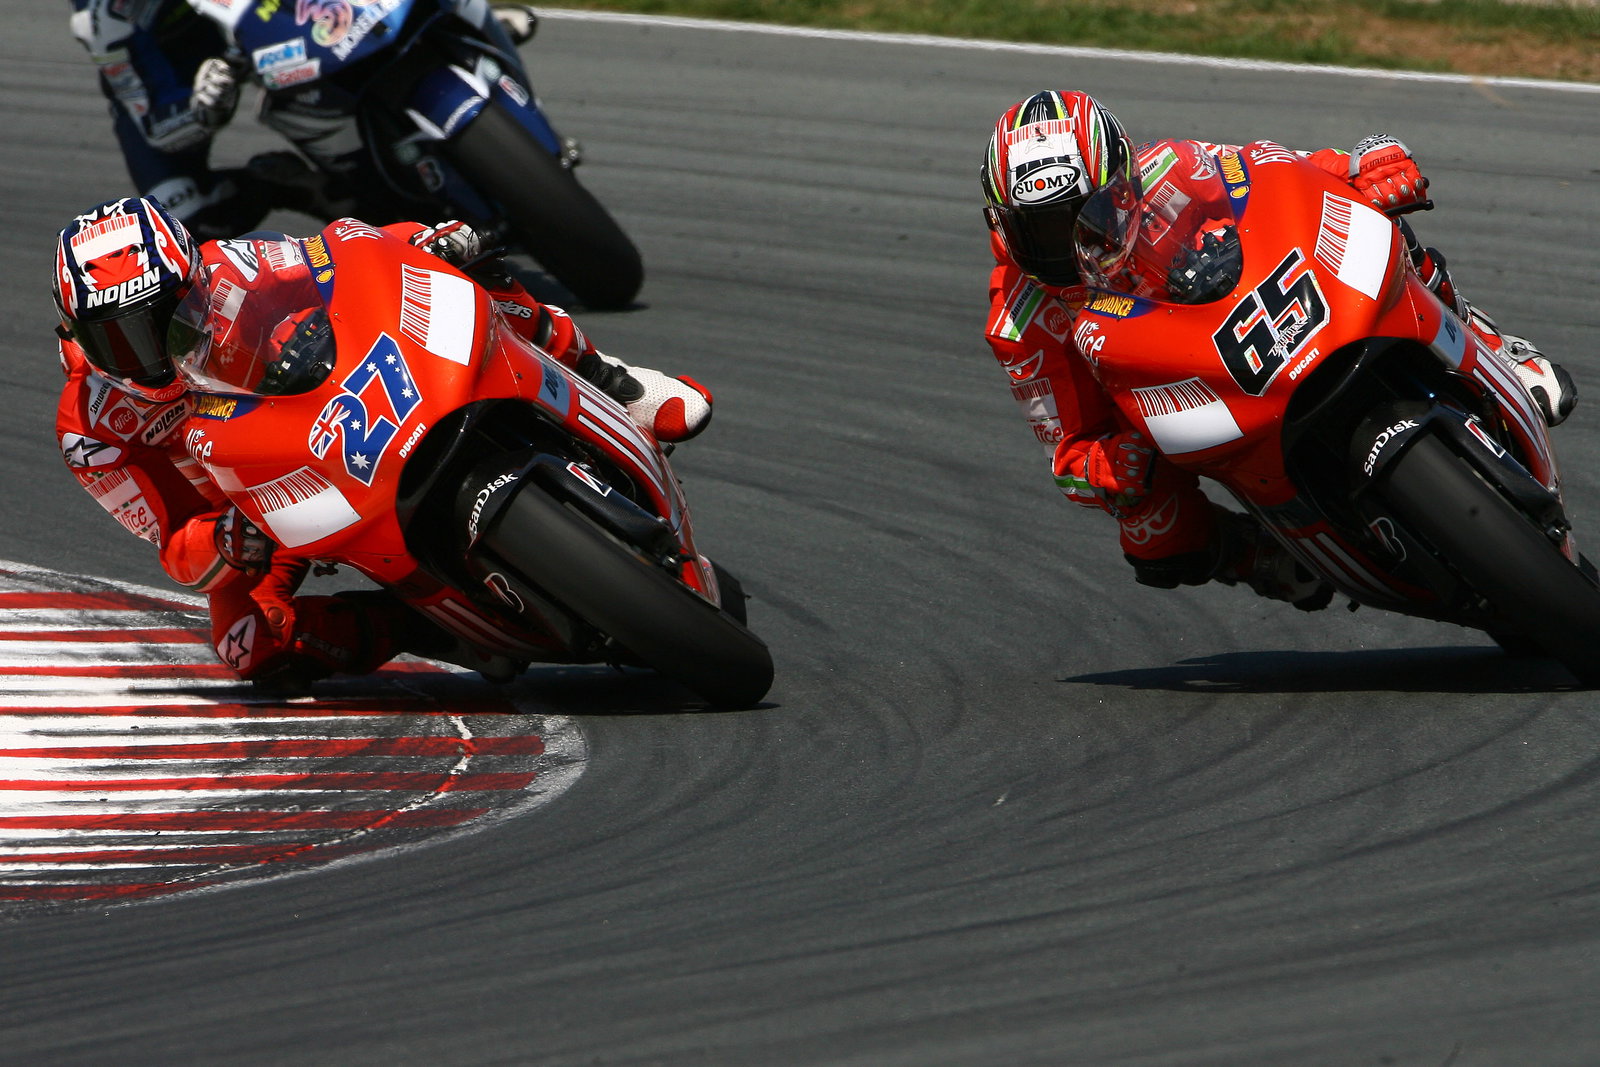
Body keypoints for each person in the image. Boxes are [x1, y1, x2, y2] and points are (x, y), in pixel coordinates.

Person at [52, 195, 711, 687]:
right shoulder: (92, 431)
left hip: (333, 405)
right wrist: (226, 543)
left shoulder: (232, 270)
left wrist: (422, 239)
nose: (150, 356)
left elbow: (339, 257)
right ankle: (422, 624)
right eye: (122, 340)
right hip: (260, 502)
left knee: (464, 264)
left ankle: (616, 383)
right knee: (247, 645)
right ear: (78, 333)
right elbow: (174, 546)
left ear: (194, 276)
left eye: (168, 321)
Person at [981, 90, 1578, 609]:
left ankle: (1491, 341)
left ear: (1126, 178)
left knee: (1382, 222)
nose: (1073, 244)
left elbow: (1273, 172)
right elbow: (1070, 452)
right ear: (1005, 230)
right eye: (1046, 233)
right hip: (1162, 391)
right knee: (1157, 538)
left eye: (1088, 215)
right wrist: (1104, 467)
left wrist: (1360, 165)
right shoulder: (1020, 319)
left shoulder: (1172, 169)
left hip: (1248, 312)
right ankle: (1255, 555)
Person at [66, 0, 541, 241]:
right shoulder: (103, 17)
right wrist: (202, 107)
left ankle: (457, 30)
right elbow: (155, 124)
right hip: (184, 65)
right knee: (177, 219)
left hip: (285, 12)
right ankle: (314, 190)